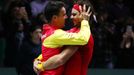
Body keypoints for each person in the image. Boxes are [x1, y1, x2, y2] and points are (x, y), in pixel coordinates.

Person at [34, 1, 93, 75]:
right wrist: (38, 60)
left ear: (84, 15)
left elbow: (60, 58)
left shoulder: (85, 36)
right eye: (65, 14)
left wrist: (40, 65)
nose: (69, 17)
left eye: (74, 14)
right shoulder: (66, 33)